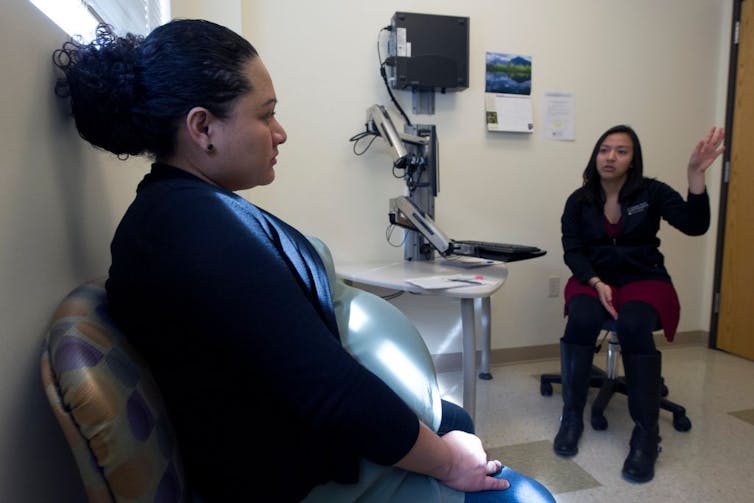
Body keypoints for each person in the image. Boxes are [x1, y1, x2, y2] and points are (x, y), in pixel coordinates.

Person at [52, 19, 555, 503]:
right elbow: (331, 394)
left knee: (458, 422)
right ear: (203, 127)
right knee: (530, 496)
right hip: (296, 479)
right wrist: (445, 461)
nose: (280, 132)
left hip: (304, 443)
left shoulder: (183, 210)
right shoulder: (192, 228)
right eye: (265, 114)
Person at [555, 124, 725, 483]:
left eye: (621, 151)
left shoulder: (652, 192)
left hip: (644, 279)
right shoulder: (579, 199)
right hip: (593, 279)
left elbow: (695, 225)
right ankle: (571, 416)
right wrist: (595, 281)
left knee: (633, 324)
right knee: (582, 317)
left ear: (633, 160)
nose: (610, 157)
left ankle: (646, 435)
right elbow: (573, 249)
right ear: (595, 156)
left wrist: (695, 174)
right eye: (604, 149)